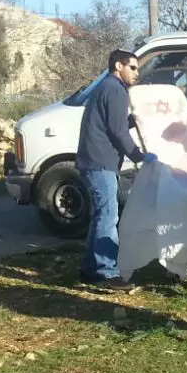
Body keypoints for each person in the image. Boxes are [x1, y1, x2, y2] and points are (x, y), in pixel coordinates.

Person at [77, 48, 147, 292]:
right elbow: (117, 132)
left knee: (101, 215)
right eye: (133, 67)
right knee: (108, 216)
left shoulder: (107, 87)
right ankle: (107, 273)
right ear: (119, 66)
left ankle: (90, 269)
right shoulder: (115, 90)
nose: (136, 73)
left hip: (95, 161)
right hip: (100, 163)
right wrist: (139, 156)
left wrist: (132, 120)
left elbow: (112, 123)